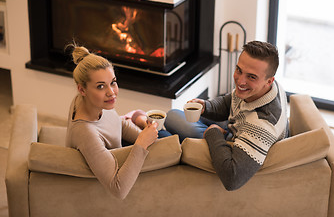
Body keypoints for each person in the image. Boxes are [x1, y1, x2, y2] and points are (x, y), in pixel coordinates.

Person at [164, 40, 288, 191]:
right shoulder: (266, 88)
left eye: (251, 77)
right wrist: (206, 106)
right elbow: (230, 101)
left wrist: (214, 133)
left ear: (269, 81)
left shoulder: (262, 125)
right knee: (176, 115)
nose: (240, 81)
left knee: (173, 119)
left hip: (237, 145)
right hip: (237, 128)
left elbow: (232, 179)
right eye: (239, 70)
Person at [65, 44, 166, 199]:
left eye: (113, 82)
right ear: (82, 89)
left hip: (126, 148)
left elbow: (117, 123)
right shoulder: (86, 133)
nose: (111, 92)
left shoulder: (86, 102)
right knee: (174, 137)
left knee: (167, 131)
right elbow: (118, 189)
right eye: (100, 86)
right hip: (126, 168)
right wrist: (141, 143)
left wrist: (143, 135)